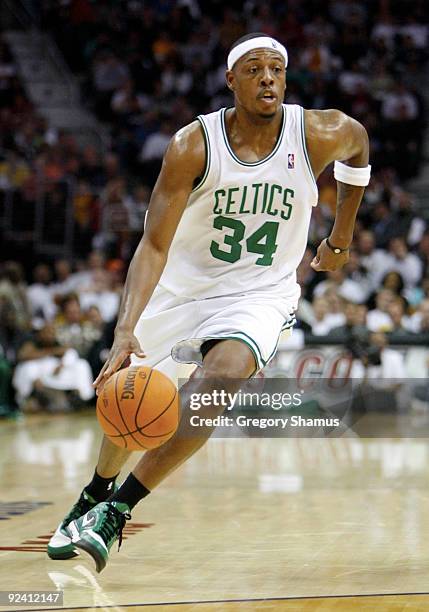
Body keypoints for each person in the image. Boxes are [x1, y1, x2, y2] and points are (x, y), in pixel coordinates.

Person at [47, 33, 370, 571]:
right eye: (253, 69)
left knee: (216, 383)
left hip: (260, 293)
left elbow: (359, 148)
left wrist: (340, 238)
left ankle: (116, 512)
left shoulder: (318, 131)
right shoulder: (193, 145)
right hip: (184, 288)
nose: (267, 77)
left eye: (276, 69)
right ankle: (95, 492)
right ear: (231, 80)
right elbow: (152, 244)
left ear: (285, 80)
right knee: (131, 405)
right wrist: (125, 330)